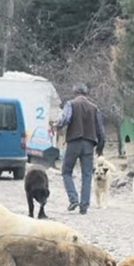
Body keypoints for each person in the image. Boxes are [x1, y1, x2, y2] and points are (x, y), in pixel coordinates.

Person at [52, 84, 105, 215]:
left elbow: (64, 119)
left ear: (75, 93)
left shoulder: (71, 104)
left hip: (74, 142)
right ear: (86, 94)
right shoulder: (94, 108)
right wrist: (100, 146)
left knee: (66, 171)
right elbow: (100, 129)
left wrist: (56, 126)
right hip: (89, 143)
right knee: (87, 175)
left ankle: (73, 198)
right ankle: (84, 206)